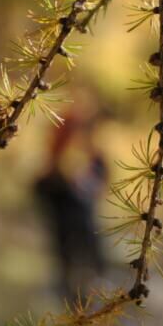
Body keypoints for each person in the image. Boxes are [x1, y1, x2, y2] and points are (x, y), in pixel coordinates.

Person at [32, 107, 108, 300]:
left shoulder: (94, 161)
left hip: (87, 237)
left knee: (89, 265)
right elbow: (42, 191)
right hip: (67, 238)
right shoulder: (50, 174)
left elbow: (99, 183)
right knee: (69, 269)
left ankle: (90, 289)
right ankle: (72, 294)